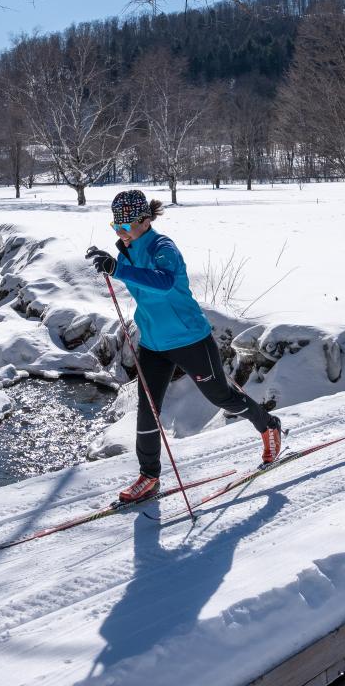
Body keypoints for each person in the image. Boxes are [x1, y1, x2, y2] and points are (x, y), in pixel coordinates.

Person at [86, 190, 281, 503]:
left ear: (144, 220)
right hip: (153, 344)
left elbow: (163, 283)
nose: (120, 232)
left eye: (125, 226)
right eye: (115, 226)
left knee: (222, 397)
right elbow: (137, 281)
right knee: (147, 410)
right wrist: (113, 263)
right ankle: (149, 476)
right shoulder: (126, 253)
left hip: (190, 339)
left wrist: (118, 269)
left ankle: (268, 425)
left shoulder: (164, 248)